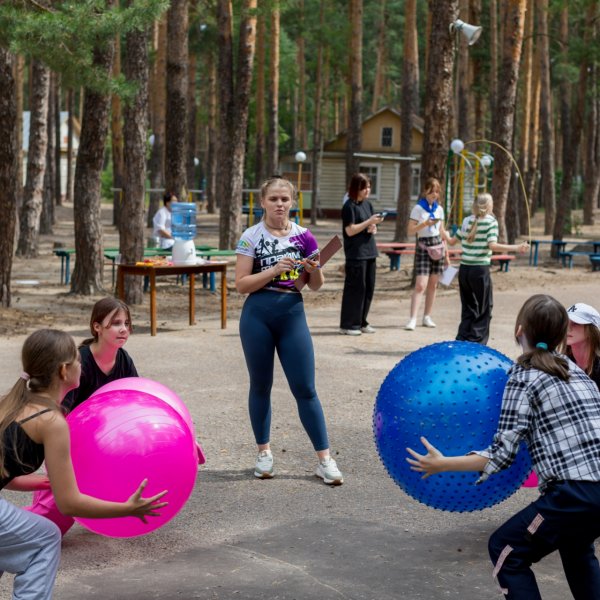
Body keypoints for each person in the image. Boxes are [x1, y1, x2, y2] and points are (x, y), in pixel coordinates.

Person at [406, 294, 600, 600]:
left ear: (519, 329)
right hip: (593, 493)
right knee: (577, 549)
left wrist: (444, 463)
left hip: (573, 494)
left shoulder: (523, 377)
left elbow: (501, 454)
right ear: (562, 334)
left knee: (506, 551)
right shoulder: (580, 374)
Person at [0, 329, 167, 599]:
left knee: (10, 543)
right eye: (79, 359)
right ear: (65, 371)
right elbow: (69, 505)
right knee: (45, 538)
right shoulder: (51, 421)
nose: (83, 364)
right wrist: (127, 508)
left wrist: (50, 480)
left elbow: (9, 477)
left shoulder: (15, 403)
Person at [235, 176, 343, 485]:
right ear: (263, 202)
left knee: (305, 388)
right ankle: (263, 454)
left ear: (293, 202)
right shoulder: (251, 236)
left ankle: (325, 460)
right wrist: (272, 270)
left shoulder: (305, 237)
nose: (279, 204)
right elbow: (241, 284)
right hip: (257, 314)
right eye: (273, 199)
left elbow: (316, 286)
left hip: (292, 313)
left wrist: (312, 270)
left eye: (284, 199)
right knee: (261, 385)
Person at [28, 297, 139, 535]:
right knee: (52, 524)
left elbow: (138, 401)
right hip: (71, 443)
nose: (124, 329)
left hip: (106, 441)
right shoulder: (79, 362)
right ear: (97, 327)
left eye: (127, 323)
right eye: (116, 323)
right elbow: (61, 410)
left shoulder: (124, 359)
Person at [444, 193, 529, 344]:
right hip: (479, 271)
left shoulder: (466, 220)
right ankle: (477, 342)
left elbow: (451, 241)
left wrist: (442, 231)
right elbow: (492, 245)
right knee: (484, 308)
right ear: (489, 206)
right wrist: (517, 247)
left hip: (464, 271)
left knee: (468, 307)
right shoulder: (491, 222)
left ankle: (462, 338)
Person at [339, 173, 384, 336]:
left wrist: (373, 227)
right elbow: (349, 230)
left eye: (369, 187)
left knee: (368, 288)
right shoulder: (349, 206)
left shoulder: (368, 205)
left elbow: (369, 227)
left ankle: (361, 321)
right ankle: (348, 324)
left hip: (370, 251)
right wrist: (368, 222)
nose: (367, 190)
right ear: (356, 188)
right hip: (355, 254)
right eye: (364, 187)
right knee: (355, 289)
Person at [404, 177, 449, 331]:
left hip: (438, 247)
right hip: (423, 246)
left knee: (433, 284)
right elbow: (410, 230)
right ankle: (413, 319)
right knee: (420, 285)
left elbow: (442, 231)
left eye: (437, 192)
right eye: (431, 192)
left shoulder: (439, 209)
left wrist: (447, 254)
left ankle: (427, 316)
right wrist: (424, 224)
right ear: (425, 191)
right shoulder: (418, 208)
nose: (434, 195)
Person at [564, 302, 600, 389]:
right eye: (566, 323)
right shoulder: (561, 364)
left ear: (590, 330)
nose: (568, 328)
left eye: (575, 323)